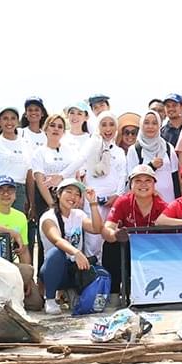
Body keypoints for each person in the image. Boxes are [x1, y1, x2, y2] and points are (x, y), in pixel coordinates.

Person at [0, 174, 42, 311]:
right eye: (0, 190)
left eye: (10, 190)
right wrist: (13, 233)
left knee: (35, 302)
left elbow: (24, 250)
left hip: (8, 266)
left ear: (15, 195)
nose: (6, 194)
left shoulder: (20, 217)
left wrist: (27, 279)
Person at [38, 178, 103, 315]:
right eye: (69, 192)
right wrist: (76, 252)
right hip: (54, 271)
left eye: (77, 194)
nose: (73, 197)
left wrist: (93, 204)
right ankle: (49, 299)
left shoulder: (78, 214)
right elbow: (56, 239)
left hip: (74, 269)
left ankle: (71, 292)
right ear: (58, 194)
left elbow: (97, 228)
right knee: (57, 253)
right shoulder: (48, 217)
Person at [102, 164, 169, 297]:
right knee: (111, 245)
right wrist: (115, 235)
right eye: (138, 180)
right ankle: (114, 293)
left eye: (148, 180)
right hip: (129, 248)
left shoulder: (162, 205)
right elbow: (106, 229)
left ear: (154, 185)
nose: (143, 185)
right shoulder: (123, 202)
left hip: (152, 250)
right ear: (131, 185)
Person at [75, 111, 127, 258]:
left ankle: (108, 278)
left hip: (112, 203)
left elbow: (123, 175)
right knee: (93, 242)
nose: (108, 129)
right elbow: (80, 170)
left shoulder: (119, 151)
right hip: (93, 202)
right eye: (104, 124)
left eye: (111, 124)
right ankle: (94, 277)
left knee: (110, 241)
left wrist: (117, 195)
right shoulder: (91, 147)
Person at [0, 106, 34, 216]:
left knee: (16, 230)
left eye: (13, 118)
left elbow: (29, 176)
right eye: (5, 118)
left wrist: (31, 202)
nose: (9, 122)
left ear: (17, 121)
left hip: (19, 194)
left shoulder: (26, 144)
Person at [127, 109, 180, 202]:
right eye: (146, 123)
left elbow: (175, 177)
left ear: (159, 125)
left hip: (169, 201)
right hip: (145, 203)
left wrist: (178, 202)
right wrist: (151, 166)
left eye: (154, 123)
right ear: (141, 125)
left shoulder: (168, 147)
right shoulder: (135, 150)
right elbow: (132, 178)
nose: (150, 126)